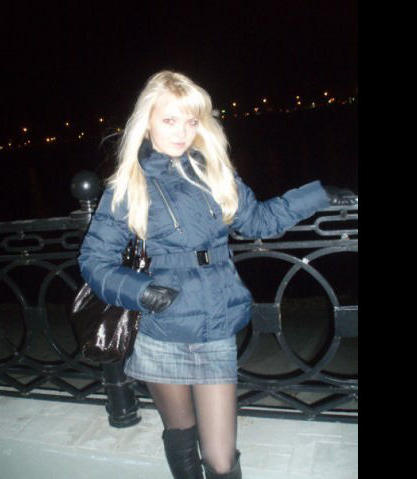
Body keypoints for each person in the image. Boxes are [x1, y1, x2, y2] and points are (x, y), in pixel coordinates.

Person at [78, 71, 356, 479]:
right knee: (180, 434)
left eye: (191, 121)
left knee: (221, 459)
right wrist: (141, 291)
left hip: (215, 327)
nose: (182, 132)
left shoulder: (213, 171)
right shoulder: (129, 185)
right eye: (170, 120)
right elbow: (94, 260)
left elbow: (259, 221)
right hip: (161, 328)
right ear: (147, 121)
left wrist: (318, 194)